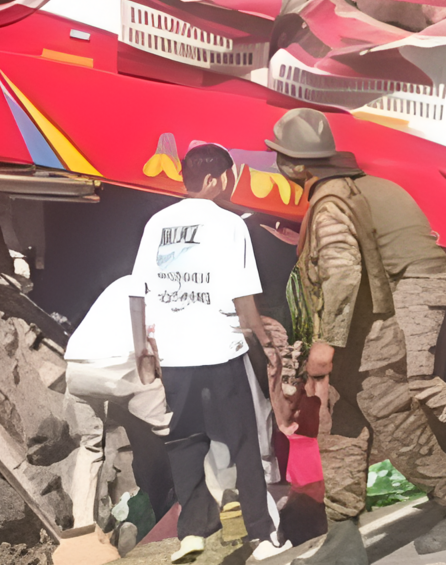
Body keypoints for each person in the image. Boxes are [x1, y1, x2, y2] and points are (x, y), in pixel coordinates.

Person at [267, 107, 446, 565]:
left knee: (400, 429)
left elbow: (343, 272)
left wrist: (325, 344)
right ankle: (343, 532)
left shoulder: (330, 203)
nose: (278, 165)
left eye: (280, 156)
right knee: (338, 433)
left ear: (296, 163)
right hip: (358, 343)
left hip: (366, 344)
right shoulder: (340, 193)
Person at [130, 144, 287, 561]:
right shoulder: (229, 223)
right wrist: (265, 344)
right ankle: (262, 533)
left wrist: (143, 349)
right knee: (242, 441)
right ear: (217, 179)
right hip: (221, 351)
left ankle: (192, 532)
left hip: (175, 355)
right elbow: (243, 296)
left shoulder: (157, 223)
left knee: (184, 441)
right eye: (230, 177)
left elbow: (137, 292)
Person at [64, 274, 174, 542]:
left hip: (76, 368)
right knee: (173, 430)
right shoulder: (161, 288)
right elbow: (154, 343)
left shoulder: (121, 283)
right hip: (118, 366)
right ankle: (191, 505)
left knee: (89, 447)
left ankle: (81, 530)